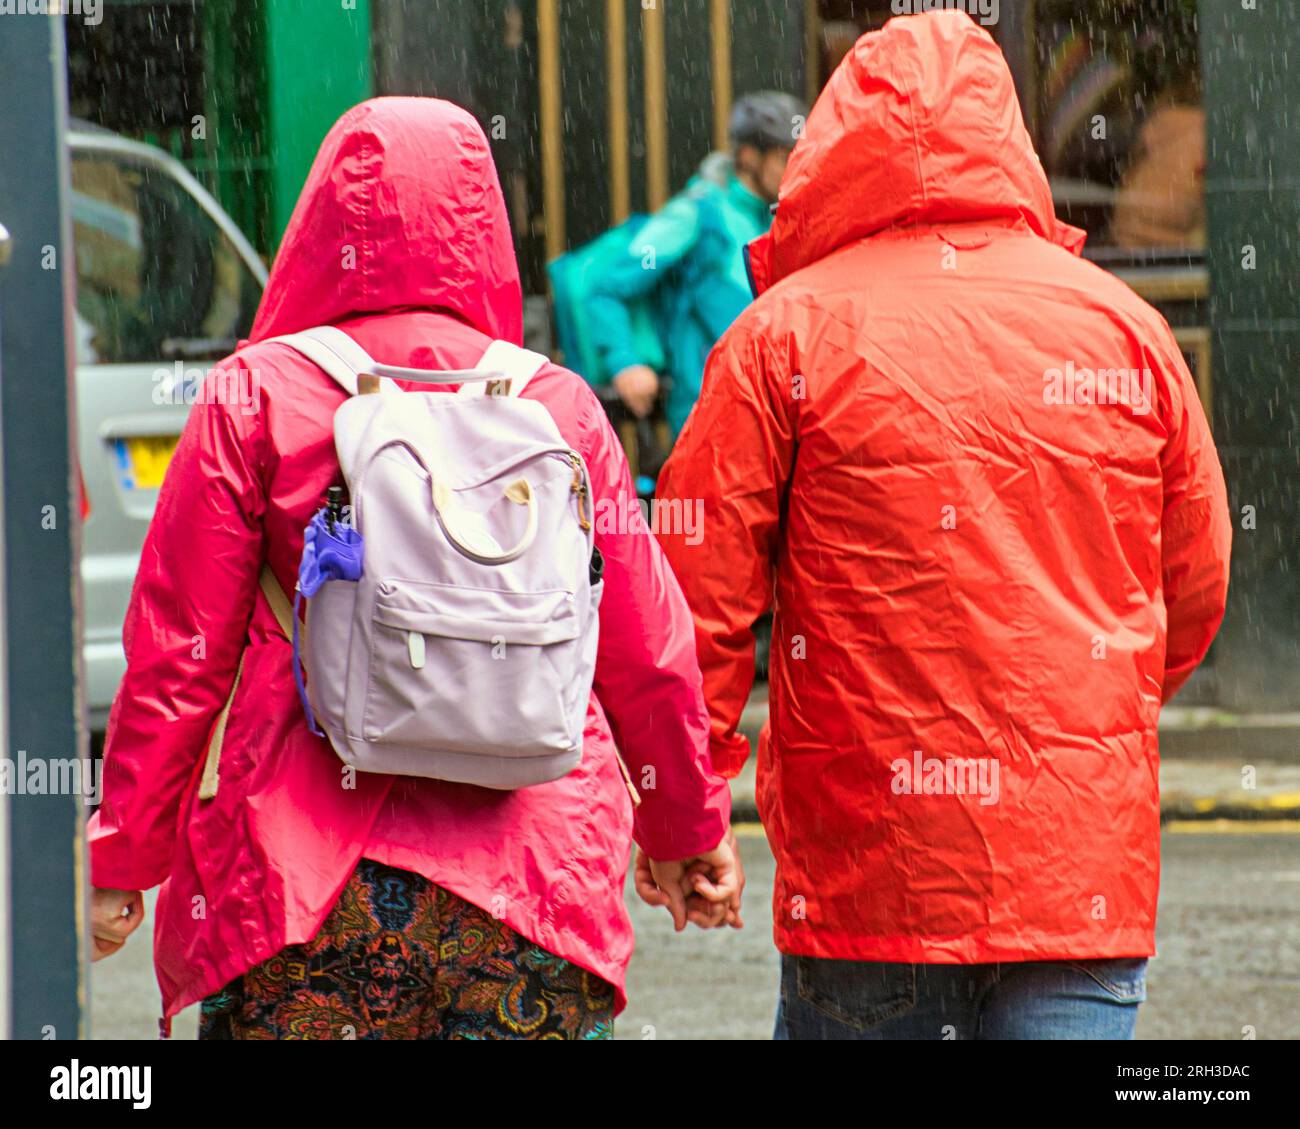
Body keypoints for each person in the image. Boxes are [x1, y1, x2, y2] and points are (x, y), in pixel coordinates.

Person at [87, 96, 740, 1040]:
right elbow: (647, 648)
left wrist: (125, 856)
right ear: (485, 227)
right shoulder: (557, 404)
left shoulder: (253, 396)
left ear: (318, 222)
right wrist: (685, 831)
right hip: (531, 893)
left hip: (303, 890)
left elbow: (177, 658)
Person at [657, 11, 1231, 1041]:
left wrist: (684, 811)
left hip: (872, 883)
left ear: (833, 144)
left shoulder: (779, 336)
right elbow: (1190, 585)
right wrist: (1090, 705)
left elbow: (691, 597)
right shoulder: (1124, 328)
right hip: (1077, 875)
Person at [587, 90, 805, 437]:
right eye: (783, 158)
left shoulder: (778, 217)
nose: (793, 170)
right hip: (707, 411)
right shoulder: (694, 214)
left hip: (771, 406)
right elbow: (607, 290)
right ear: (749, 156)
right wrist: (624, 362)